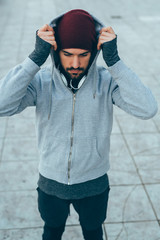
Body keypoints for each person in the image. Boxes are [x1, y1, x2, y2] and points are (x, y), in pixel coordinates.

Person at [0, 9, 158, 240]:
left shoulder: (106, 82)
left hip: (94, 184)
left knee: (93, 232)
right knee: (52, 231)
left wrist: (115, 63)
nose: (75, 63)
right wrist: (34, 59)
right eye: (68, 54)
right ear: (55, 50)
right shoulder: (42, 82)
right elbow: (3, 104)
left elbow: (147, 109)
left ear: (94, 52)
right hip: (51, 183)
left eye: (84, 55)